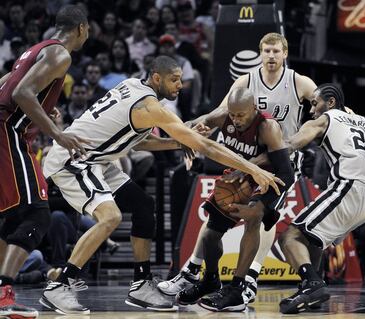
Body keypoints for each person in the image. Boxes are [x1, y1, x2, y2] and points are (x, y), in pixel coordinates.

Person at [39, 55, 281, 314]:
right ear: (157, 78)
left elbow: (137, 142)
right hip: (74, 159)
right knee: (110, 217)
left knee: (144, 205)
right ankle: (60, 285)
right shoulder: (149, 107)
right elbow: (206, 146)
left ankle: (141, 284)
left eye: (180, 79)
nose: (180, 85)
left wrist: (178, 141)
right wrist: (253, 168)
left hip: (98, 159)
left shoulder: (132, 86)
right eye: (174, 80)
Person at [163, 32, 317, 302]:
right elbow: (220, 115)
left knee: (263, 217)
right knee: (217, 208)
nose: (271, 55)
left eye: (275, 51)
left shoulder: (298, 82)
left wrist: (340, 112)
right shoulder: (245, 82)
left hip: (280, 161)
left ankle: (248, 279)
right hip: (245, 162)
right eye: (266, 51)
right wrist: (187, 131)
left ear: (285, 54)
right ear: (260, 53)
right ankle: (193, 270)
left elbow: (322, 106)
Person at [275, 83, 365, 313]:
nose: (311, 110)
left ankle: (312, 285)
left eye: (314, 103)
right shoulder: (364, 121)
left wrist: (254, 163)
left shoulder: (324, 119)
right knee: (315, 237)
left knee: (290, 236)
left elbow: (291, 144)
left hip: (348, 186)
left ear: (330, 103)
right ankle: (314, 285)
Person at [0, 5, 89, 319]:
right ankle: (4, 294)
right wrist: (57, 133)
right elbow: (23, 92)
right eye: (87, 30)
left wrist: (44, 108)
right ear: (80, 28)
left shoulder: (33, 50)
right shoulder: (61, 54)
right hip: (9, 131)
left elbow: (7, 84)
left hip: (7, 129)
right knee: (37, 215)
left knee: (13, 217)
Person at [170, 87, 294, 311]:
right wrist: (187, 135)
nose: (236, 120)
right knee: (210, 234)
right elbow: (196, 122)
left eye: (241, 115)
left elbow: (286, 172)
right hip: (239, 176)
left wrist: (261, 201)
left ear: (254, 109)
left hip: (268, 178)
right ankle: (210, 280)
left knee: (253, 216)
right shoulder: (223, 116)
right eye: (233, 115)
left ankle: (237, 288)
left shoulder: (268, 128)